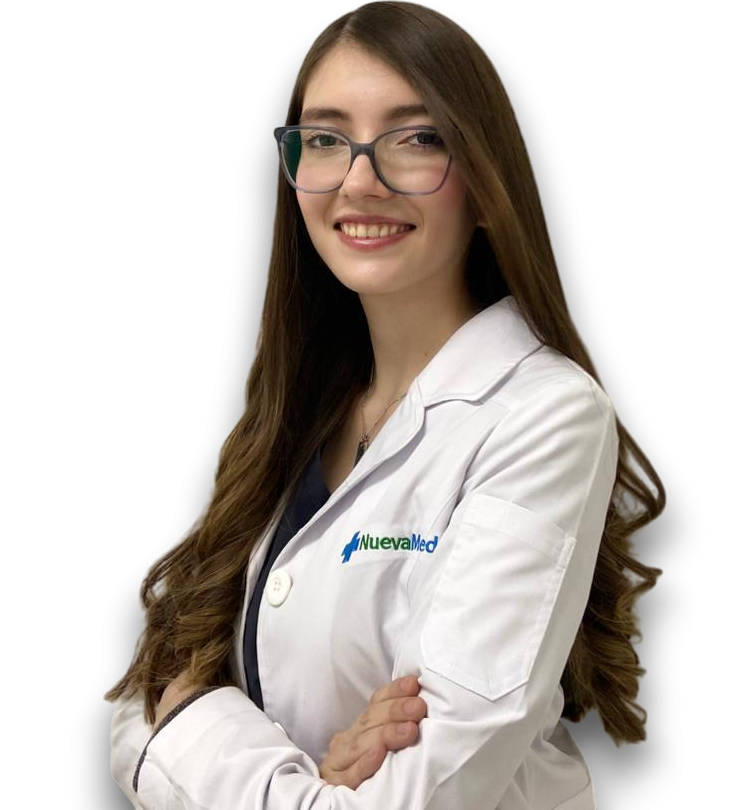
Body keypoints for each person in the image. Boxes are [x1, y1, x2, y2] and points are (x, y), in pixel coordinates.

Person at [105, 2, 666, 808]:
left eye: (417, 138)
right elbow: (145, 689)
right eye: (325, 139)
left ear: (486, 187)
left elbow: (407, 801)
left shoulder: (545, 415)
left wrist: (198, 726)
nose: (358, 180)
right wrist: (307, 775)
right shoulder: (296, 414)